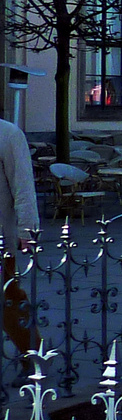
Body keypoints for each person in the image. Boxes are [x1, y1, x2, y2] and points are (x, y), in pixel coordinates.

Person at [0, 116, 37, 355]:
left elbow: (23, 185)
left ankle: (32, 355)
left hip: (1, 239)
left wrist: (27, 230)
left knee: (9, 302)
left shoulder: (8, 134)